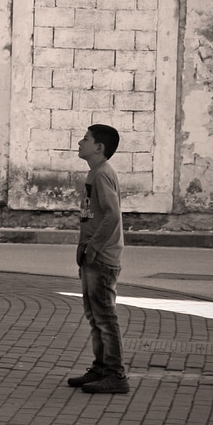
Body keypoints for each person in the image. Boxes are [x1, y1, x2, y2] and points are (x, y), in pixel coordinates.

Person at [66, 124, 130, 394]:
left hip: (101, 258)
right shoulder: (95, 173)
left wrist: (92, 248)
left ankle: (116, 375)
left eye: (85, 139)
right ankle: (101, 368)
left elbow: (112, 215)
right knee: (95, 317)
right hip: (92, 255)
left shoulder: (103, 174)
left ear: (99, 147)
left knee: (105, 318)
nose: (79, 143)